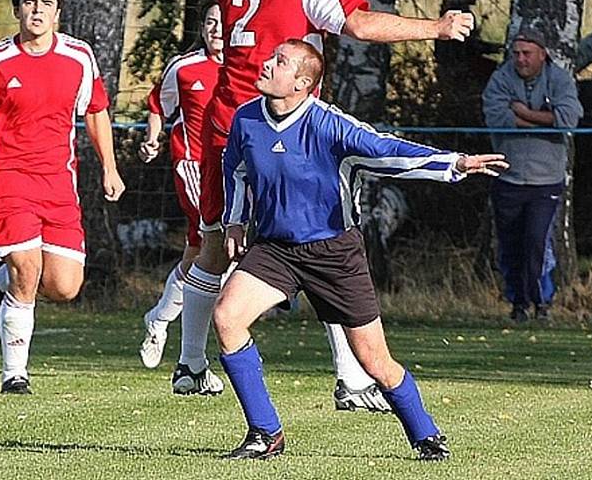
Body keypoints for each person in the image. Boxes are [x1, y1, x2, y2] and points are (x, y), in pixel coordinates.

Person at [179, 0, 475, 408]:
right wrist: (436, 28)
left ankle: (189, 363)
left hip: (228, 125)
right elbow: (358, 24)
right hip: (289, 128)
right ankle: (352, 379)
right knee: (319, 244)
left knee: (213, 245)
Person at [213, 39, 508, 460]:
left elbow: (388, 150)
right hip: (275, 248)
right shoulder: (246, 120)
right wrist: (236, 220)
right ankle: (265, 433)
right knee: (227, 317)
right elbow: (235, 171)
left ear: (302, 84)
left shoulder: (330, 126)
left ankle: (425, 435)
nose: (265, 64)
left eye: (278, 62)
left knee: (374, 361)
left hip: (335, 253)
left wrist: (453, 163)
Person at [0, 0, 125, 394]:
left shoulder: (79, 57)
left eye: (46, 4)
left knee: (64, 287)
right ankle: (15, 374)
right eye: (29, 3)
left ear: (58, 12)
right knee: (27, 269)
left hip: (58, 183)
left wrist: (109, 166)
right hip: (7, 178)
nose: (37, 11)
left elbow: (96, 110)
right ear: (17, 10)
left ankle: (0, 282)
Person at [135, 2, 224, 397]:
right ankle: (193, 357)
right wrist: (153, 137)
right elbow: (159, 105)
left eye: (224, 24)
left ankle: (159, 319)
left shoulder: (252, 66)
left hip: (232, 170)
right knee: (213, 242)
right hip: (192, 165)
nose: (216, 30)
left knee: (196, 251)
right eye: (210, 23)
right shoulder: (184, 68)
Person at [482, 26, 583, 322]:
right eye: (516, 54)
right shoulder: (501, 79)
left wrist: (524, 114)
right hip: (508, 176)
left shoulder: (560, 80)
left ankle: (541, 303)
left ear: (542, 54)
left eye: (527, 54)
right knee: (510, 244)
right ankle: (518, 304)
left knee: (537, 242)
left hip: (546, 179)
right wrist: (544, 121)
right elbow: (497, 118)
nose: (521, 59)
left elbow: (568, 119)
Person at [434, 0, 501, 126]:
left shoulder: (448, 9)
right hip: (462, 65)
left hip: (450, 64)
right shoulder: (462, 13)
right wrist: (494, 48)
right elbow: (470, 46)